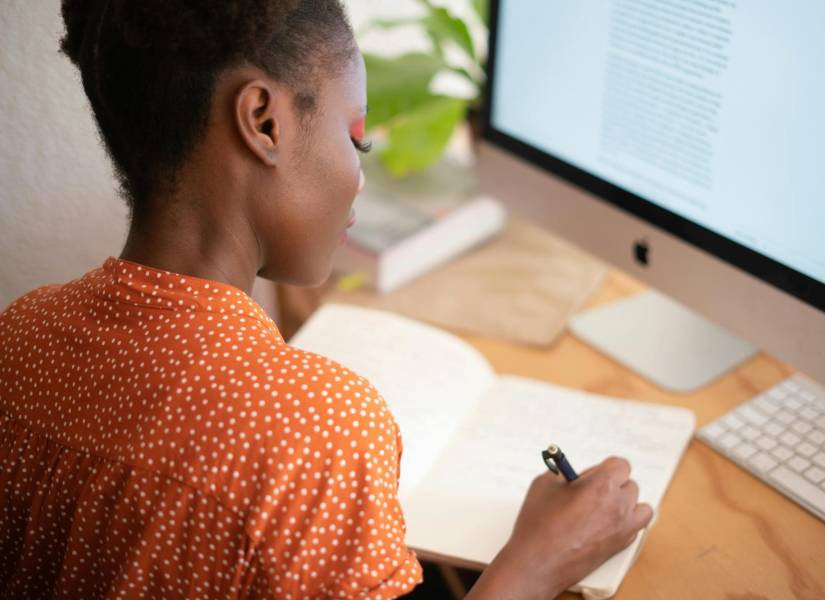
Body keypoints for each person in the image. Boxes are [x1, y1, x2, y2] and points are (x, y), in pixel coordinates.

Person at [0, 1, 652, 598]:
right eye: (356, 137)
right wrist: (537, 560)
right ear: (263, 121)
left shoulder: (19, 336)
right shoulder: (317, 432)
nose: (359, 176)